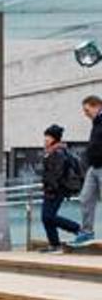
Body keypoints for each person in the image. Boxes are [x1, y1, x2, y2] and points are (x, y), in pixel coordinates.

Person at [38, 124, 84, 253]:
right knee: (46, 217)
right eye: (45, 136)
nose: (45, 139)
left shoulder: (58, 152)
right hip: (52, 189)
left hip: (56, 190)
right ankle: (54, 245)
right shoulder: (53, 151)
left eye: (48, 136)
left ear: (54, 138)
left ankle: (76, 229)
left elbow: (56, 173)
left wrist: (50, 187)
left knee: (49, 216)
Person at [74, 94, 102, 245]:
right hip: (94, 166)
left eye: (87, 110)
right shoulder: (96, 122)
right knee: (85, 198)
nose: (85, 114)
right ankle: (87, 232)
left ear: (97, 106)